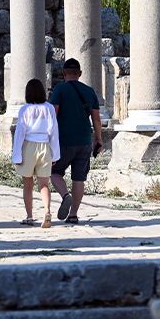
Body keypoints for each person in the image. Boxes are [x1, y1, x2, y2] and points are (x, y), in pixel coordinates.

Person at [49, 58, 103, 224]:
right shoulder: (89, 91)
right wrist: (98, 139)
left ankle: (66, 195)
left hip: (64, 140)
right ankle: (73, 215)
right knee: (79, 178)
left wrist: (49, 138)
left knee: (54, 172)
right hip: (85, 139)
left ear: (64, 73)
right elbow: (96, 119)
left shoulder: (59, 90)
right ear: (80, 74)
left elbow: (53, 114)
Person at [11, 78, 60, 228]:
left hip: (28, 146)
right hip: (45, 145)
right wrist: (55, 154)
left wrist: (17, 155)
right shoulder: (50, 108)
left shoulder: (25, 109)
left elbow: (20, 133)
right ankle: (47, 210)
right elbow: (54, 132)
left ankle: (29, 215)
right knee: (44, 184)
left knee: (28, 184)